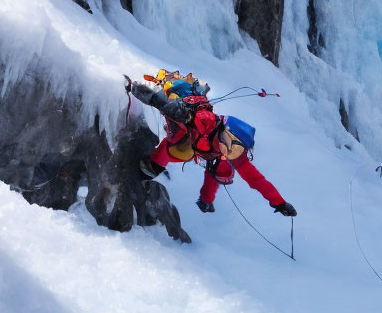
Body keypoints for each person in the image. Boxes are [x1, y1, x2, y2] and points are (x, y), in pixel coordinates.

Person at [125, 70, 297, 217]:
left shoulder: (230, 153)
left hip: (192, 130)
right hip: (185, 121)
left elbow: (252, 181)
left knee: (181, 149)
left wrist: (280, 203)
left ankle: (149, 169)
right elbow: (157, 100)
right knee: (176, 149)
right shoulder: (203, 131)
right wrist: (133, 87)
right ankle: (146, 170)